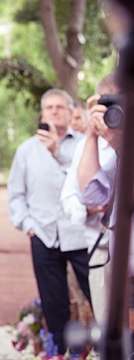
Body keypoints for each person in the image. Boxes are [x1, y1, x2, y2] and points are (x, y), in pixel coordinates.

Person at [8, 88, 87, 354]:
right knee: (54, 302)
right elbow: (16, 195)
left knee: (99, 295)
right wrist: (28, 225)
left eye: (59, 107)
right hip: (42, 234)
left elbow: (87, 184)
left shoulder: (84, 145)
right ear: (42, 113)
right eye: (49, 107)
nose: (54, 111)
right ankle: (61, 351)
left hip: (80, 235)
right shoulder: (26, 150)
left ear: (69, 112)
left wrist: (57, 152)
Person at [61, 73, 118, 325]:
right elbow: (85, 195)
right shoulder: (90, 144)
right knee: (110, 328)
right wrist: (93, 134)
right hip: (103, 249)